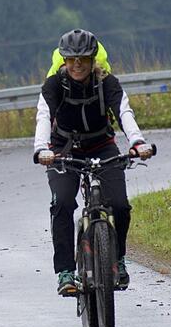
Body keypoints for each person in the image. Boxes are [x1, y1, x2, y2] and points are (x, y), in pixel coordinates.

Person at [33, 29, 153, 296]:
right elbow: (44, 116)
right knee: (62, 203)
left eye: (84, 59)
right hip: (63, 149)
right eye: (72, 59)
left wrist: (137, 142)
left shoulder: (106, 82)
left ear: (93, 59)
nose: (77, 65)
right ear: (63, 60)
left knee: (120, 205)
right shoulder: (54, 85)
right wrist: (41, 149)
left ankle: (118, 259)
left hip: (102, 145)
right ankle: (65, 271)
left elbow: (124, 111)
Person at [46, 40, 111, 77]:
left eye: (85, 59)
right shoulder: (52, 85)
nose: (77, 65)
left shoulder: (109, 84)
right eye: (71, 60)